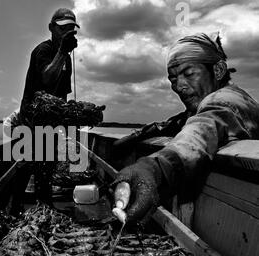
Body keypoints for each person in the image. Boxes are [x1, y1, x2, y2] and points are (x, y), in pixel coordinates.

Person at [111, 32, 259, 225]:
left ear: (218, 70)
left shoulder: (226, 101)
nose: (179, 86)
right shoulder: (204, 104)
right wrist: (143, 133)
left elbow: (201, 131)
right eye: (173, 79)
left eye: (189, 74)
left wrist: (155, 168)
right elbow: (182, 121)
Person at [5, 8, 80, 211]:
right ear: (51, 28)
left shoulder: (67, 61)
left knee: (47, 164)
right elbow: (47, 78)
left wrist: (68, 118)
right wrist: (63, 51)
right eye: (63, 28)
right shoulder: (43, 51)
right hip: (30, 117)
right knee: (28, 163)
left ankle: (45, 207)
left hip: (50, 121)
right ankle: (13, 207)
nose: (67, 32)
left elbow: (62, 95)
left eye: (71, 29)